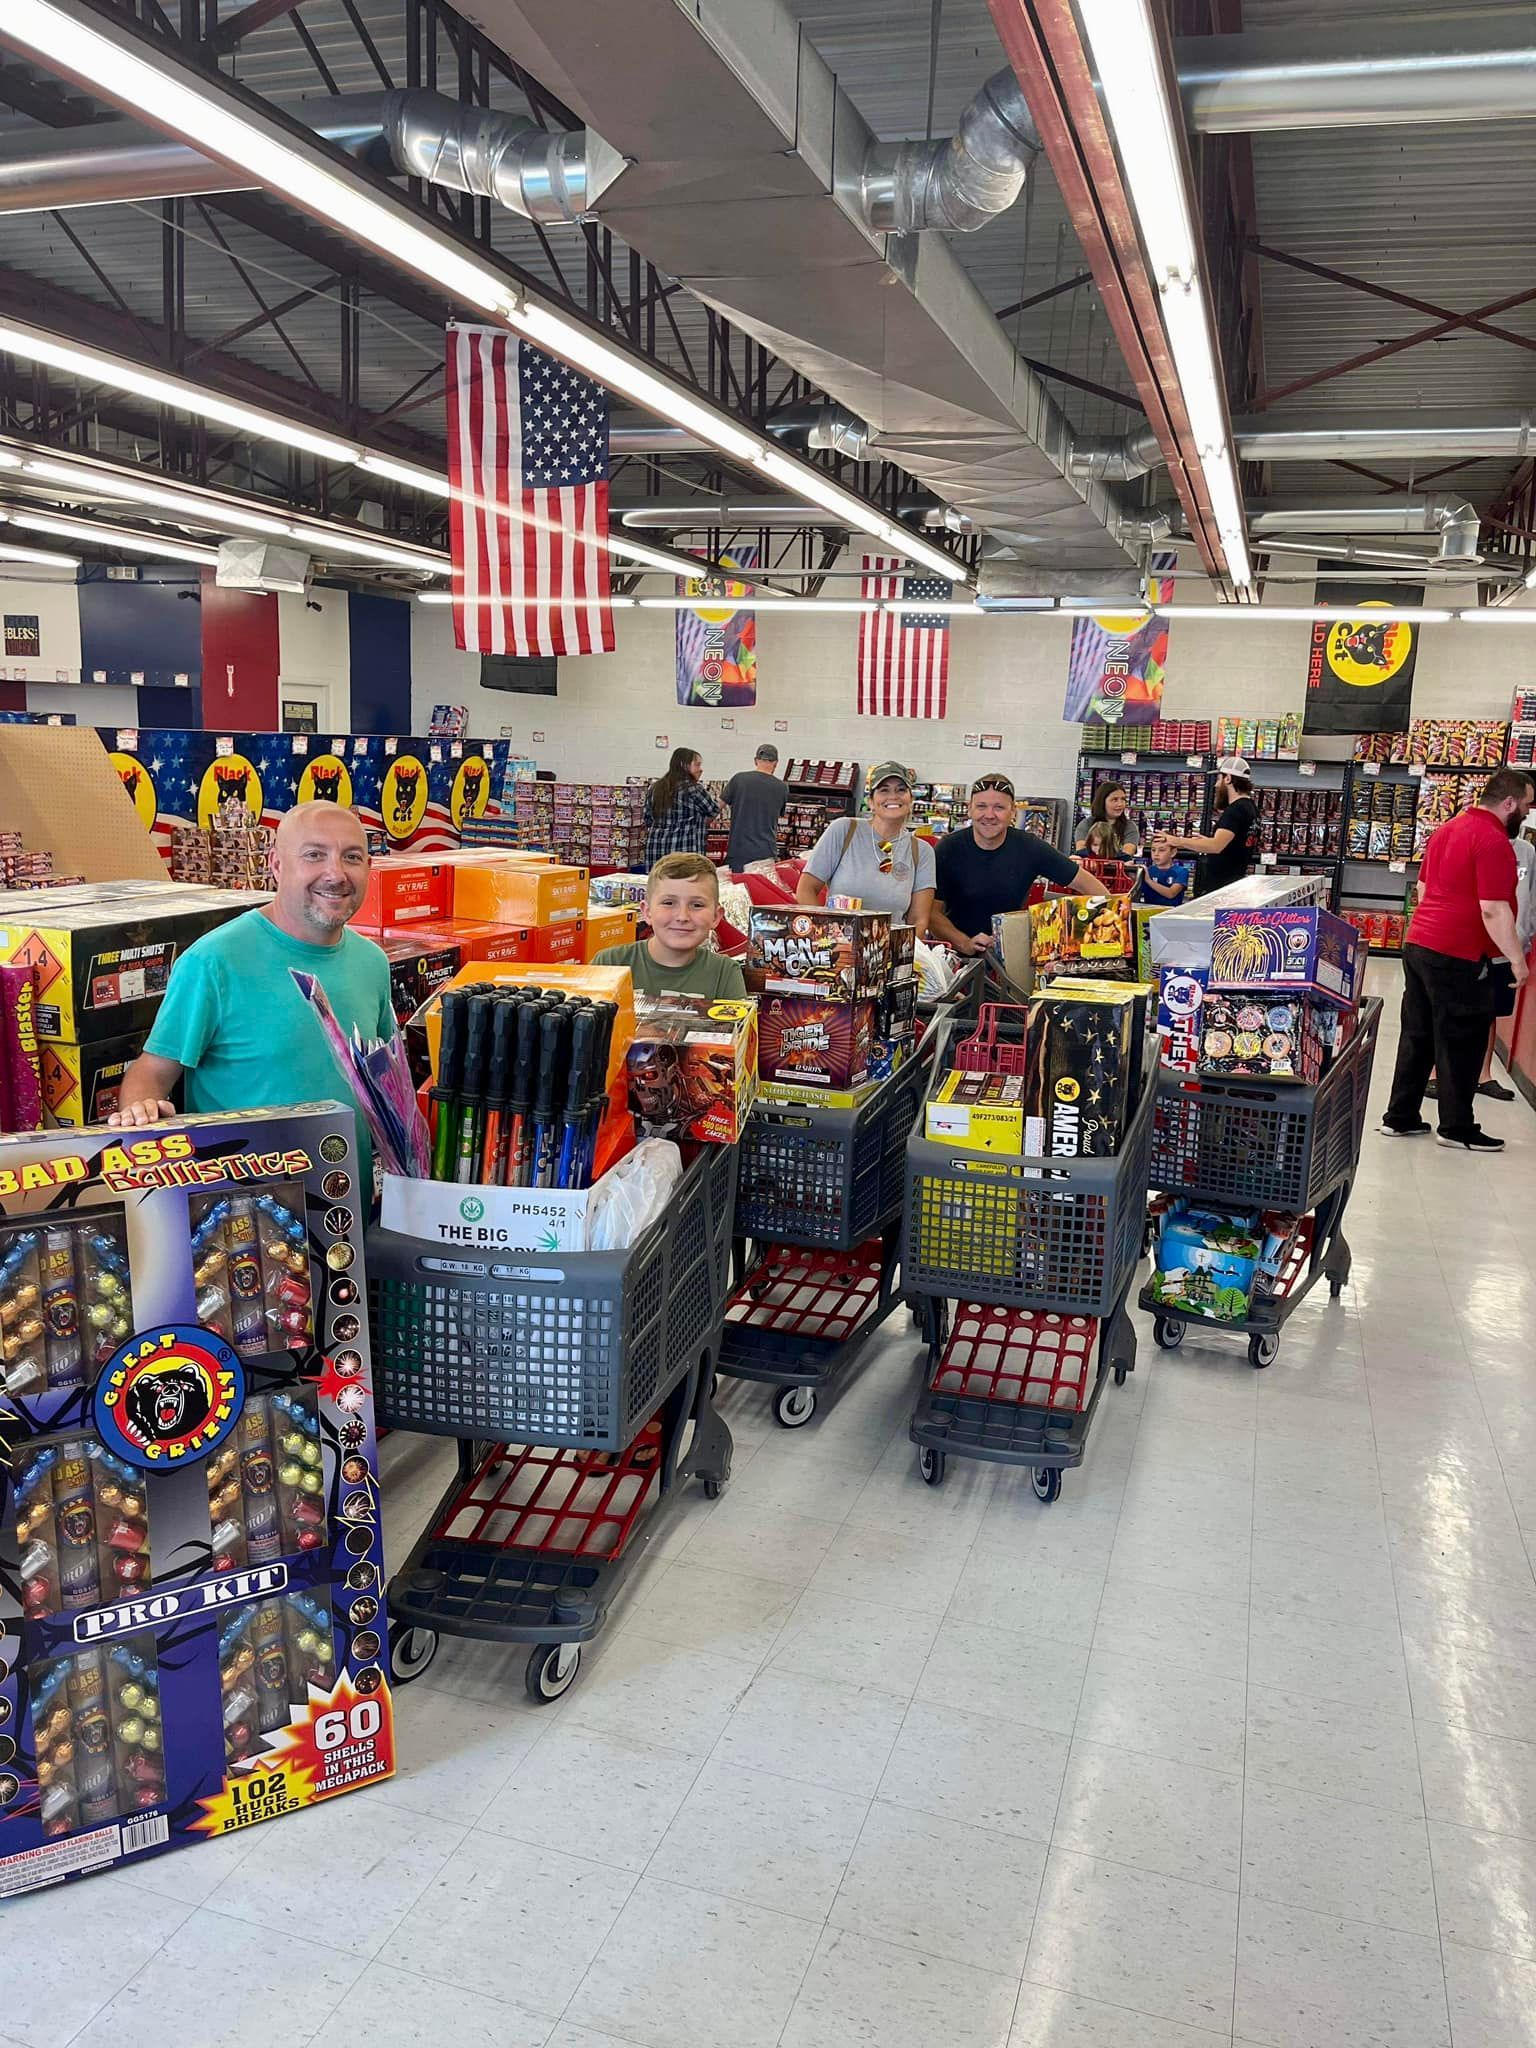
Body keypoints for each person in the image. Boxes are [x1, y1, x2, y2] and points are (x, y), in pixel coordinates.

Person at [110, 802, 395, 1187]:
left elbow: (384, 1080)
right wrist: (142, 1113)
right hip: (243, 1215)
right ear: (276, 865)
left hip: (345, 1205)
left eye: (352, 857)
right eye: (314, 855)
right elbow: (151, 1073)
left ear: (368, 869)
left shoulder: (372, 962)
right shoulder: (213, 961)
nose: (336, 873)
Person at [1382, 767, 1533, 1152]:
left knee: (1417, 1036)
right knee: (1462, 1041)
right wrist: (1517, 960)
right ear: (1510, 802)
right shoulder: (1493, 840)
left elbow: (1422, 886)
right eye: (1528, 807)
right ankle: (1457, 1128)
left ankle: (1400, 1118)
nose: (1528, 815)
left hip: (1419, 945)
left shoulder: (1449, 828)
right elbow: (1494, 910)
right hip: (1458, 954)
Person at [929, 772, 1105, 955]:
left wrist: (1117, 915)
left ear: (1013, 811)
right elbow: (931, 913)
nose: (989, 815)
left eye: (999, 807)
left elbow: (1087, 883)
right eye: (981, 806)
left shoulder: (1029, 847)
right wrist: (964, 943)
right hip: (955, 956)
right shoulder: (948, 849)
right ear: (969, 809)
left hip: (1010, 954)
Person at [797, 761, 935, 934]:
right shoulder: (844, 830)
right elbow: (805, 890)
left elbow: (918, 920)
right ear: (870, 801)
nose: (893, 796)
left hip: (888, 953)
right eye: (884, 790)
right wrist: (825, 932)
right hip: (838, 949)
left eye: (901, 790)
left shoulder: (922, 851)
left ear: (911, 800)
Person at [594, 851, 747, 999]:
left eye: (697, 905)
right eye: (669, 903)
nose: (682, 916)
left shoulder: (724, 973)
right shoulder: (610, 963)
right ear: (647, 912)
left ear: (715, 916)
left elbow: (739, 1024)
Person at [1166, 756, 1259, 893]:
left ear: (1228, 779)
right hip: (1235, 884)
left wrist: (1177, 841)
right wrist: (1205, 842)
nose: (1215, 785)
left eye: (1219, 779)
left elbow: (1216, 846)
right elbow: (1233, 845)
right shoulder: (1251, 808)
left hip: (1222, 887)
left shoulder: (1235, 810)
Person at [643, 747, 719, 866]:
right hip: (686, 853)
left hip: (656, 851)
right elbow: (713, 810)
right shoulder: (693, 788)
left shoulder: (655, 788)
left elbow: (648, 819)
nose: (701, 770)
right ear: (684, 765)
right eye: (697, 765)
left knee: (659, 883)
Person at [723, 745, 788, 871]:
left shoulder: (739, 779)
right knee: (762, 889)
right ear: (775, 763)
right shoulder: (782, 787)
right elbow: (779, 814)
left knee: (738, 889)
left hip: (739, 853)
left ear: (755, 760)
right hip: (766, 853)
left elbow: (717, 807)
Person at [1075, 782, 1139, 861]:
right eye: (1114, 800)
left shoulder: (1129, 826)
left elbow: (1128, 852)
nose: (1120, 804)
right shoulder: (1086, 824)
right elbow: (1081, 850)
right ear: (1102, 801)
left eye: (1123, 799)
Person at [1138, 831, 1191, 906]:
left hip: (1170, 914)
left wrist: (1149, 881)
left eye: (1161, 850)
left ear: (1173, 852)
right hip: (1148, 913)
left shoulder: (1181, 872)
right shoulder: (1148, 871)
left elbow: (1171, 893)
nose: (1156, 854)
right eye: (1153, 850)